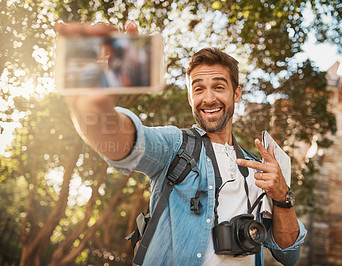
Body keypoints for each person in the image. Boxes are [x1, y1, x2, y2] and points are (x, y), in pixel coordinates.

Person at [57, 21, 306, 266]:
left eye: (219, 87)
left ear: (236, 93)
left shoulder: (260, 169)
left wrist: (282, 197)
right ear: (190, 96)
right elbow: (122, 141)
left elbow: (288, 254)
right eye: (198, 89)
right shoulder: (176, 145)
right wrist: (93, 111)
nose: (208, 98)